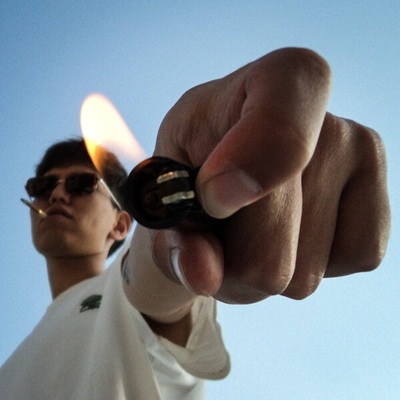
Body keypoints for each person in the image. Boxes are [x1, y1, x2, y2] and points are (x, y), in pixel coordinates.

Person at [0, 48, 390, 399]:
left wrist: (204, 159)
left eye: (81, 184)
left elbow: (153, 275)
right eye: (42, 187)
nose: (57, 194)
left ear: (121, 225)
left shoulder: (123, 285)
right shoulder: (12, 365)